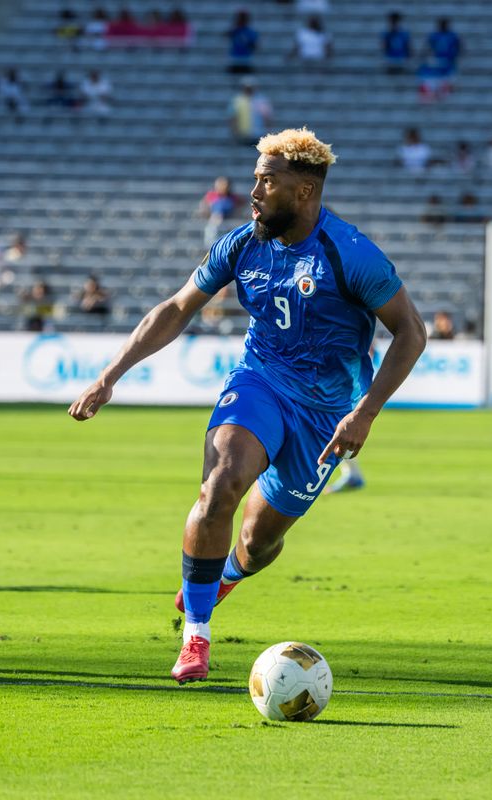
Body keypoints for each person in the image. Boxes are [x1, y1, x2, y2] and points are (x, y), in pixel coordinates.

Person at [67, 128, 427, 683]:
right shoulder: (242, 243)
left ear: (304, 191)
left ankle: (229, 571)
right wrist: (110, 375)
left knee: (260, 543)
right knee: (220, 488)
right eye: (255, 179)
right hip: (259, 383)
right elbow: (178, 306)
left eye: (267, 181)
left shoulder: (350, 254)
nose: (253, 191)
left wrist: (367, 411)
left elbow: (411, 332)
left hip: (327, 413)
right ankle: (196, 640)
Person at [199, 176, 243, 247]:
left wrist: (234, 214)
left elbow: (242, 205)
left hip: (228, 224)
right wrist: (211, 215)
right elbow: (203, 207)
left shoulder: (232, 197)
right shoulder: (212, 195)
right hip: (215, 224)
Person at [228, 79, 273, 145]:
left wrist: (267, 131)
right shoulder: (238, 100)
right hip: (243, 134)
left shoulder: (261, 100)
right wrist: (235, 131)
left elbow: (267, 117)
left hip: (258, 133)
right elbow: (233, 117)